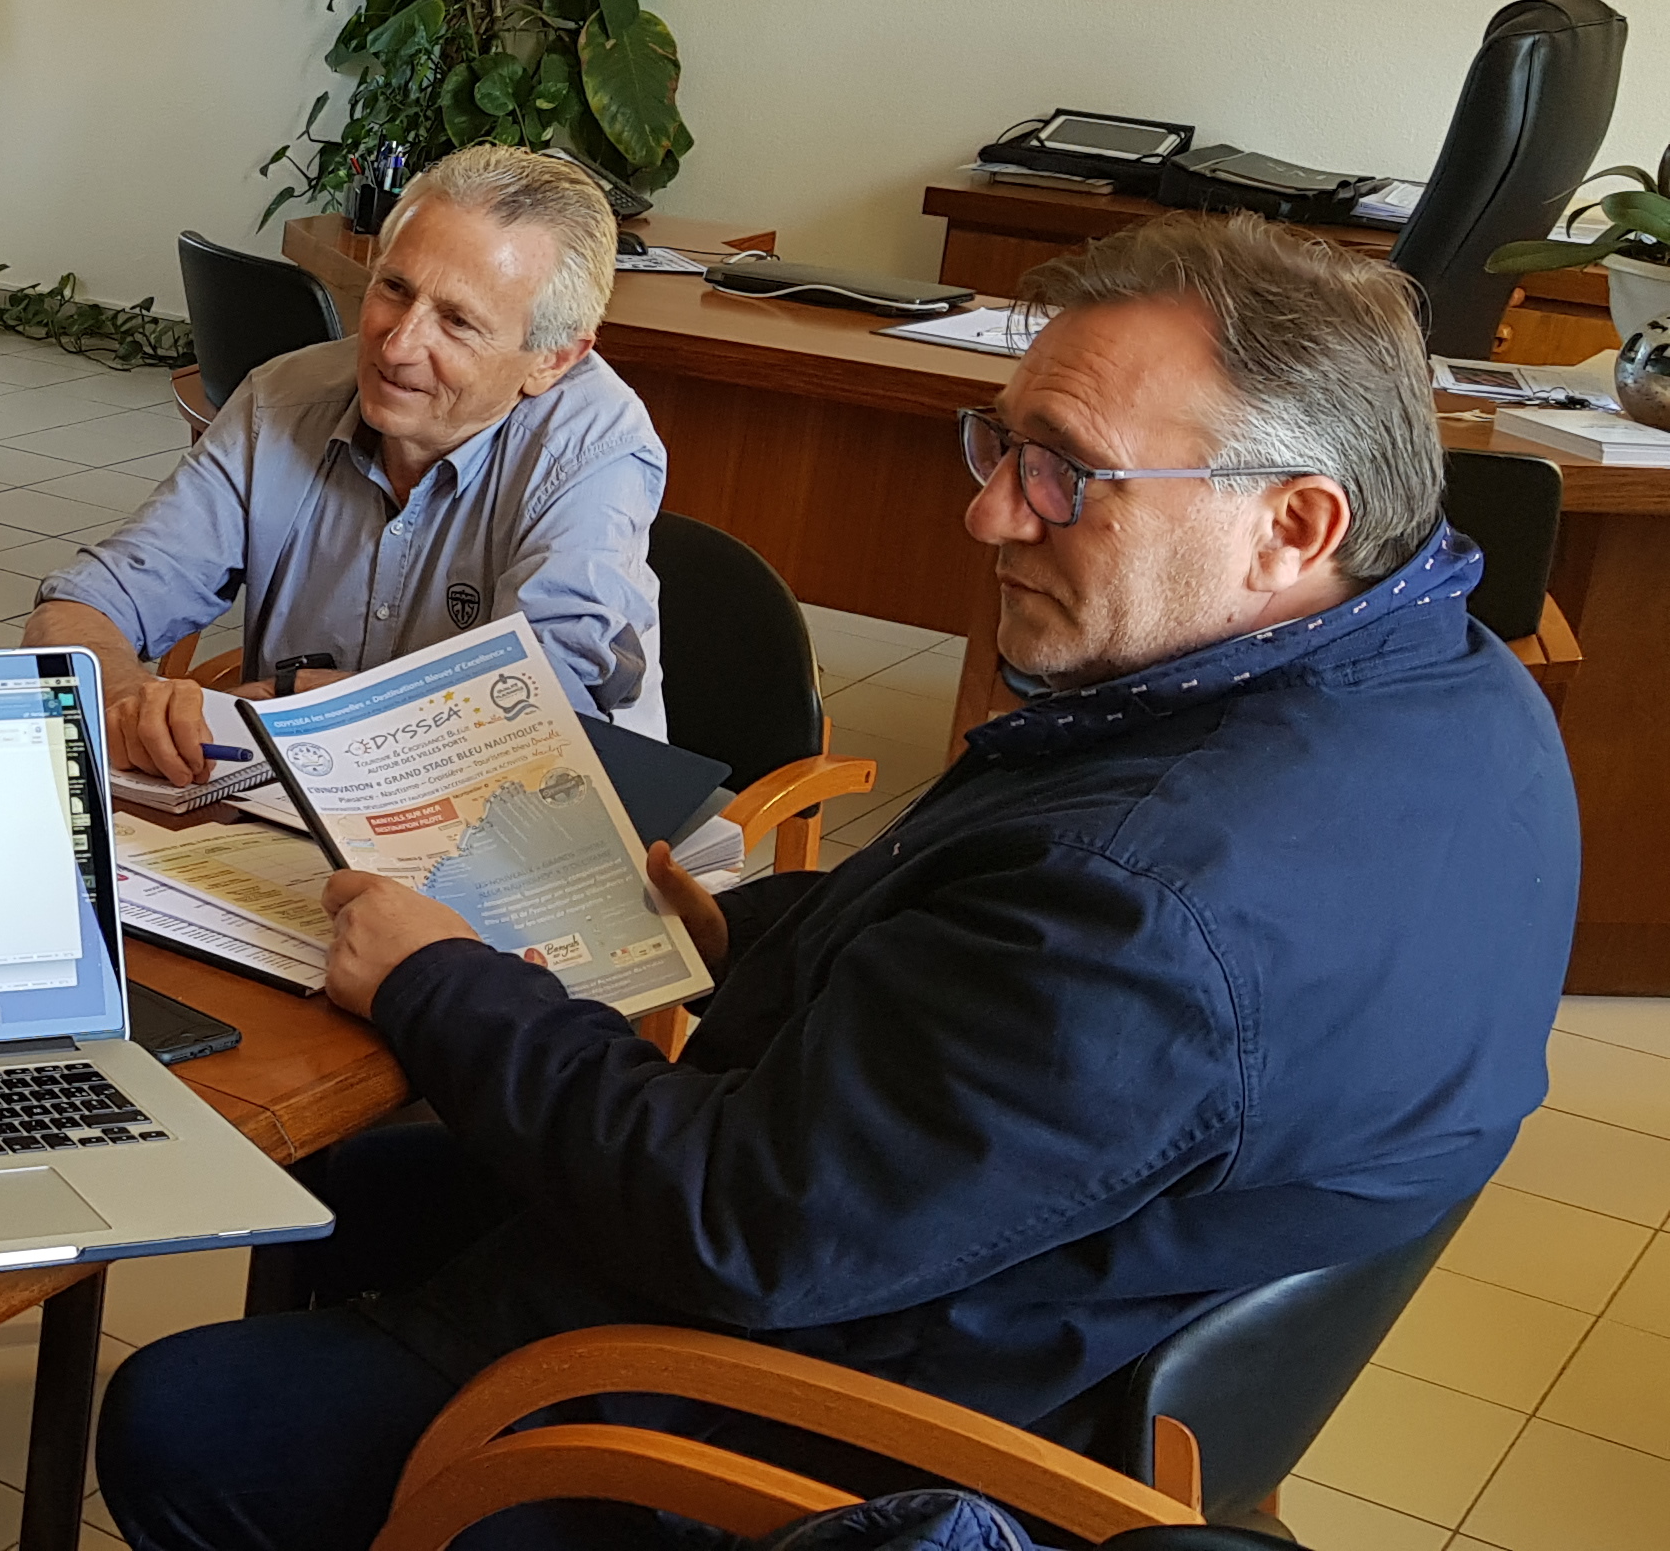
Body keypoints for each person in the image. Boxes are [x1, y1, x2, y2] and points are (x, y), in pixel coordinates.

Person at [93, 215, 1579, 1551]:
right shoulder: (1455, 695)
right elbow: (977, 969)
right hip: (1016, 1284)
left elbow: (738, 1229)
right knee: (349, 1186)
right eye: (996, 449)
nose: (993, 514)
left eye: (1065, 469)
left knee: (182, 1416)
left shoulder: (1148, 900)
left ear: (1295, 523)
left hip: (821, 1408)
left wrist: (436, 984)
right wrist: (737, 928)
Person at [28, 145, 668, 787]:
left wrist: (335, 704)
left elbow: (538, 715)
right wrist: (120, 694)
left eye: (457, 322)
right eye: (394, 288)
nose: (397, 346)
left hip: (521, 819)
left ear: (552, 360)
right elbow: (82, 605)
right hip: (293, 797)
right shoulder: (281, 400)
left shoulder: (597, 450)